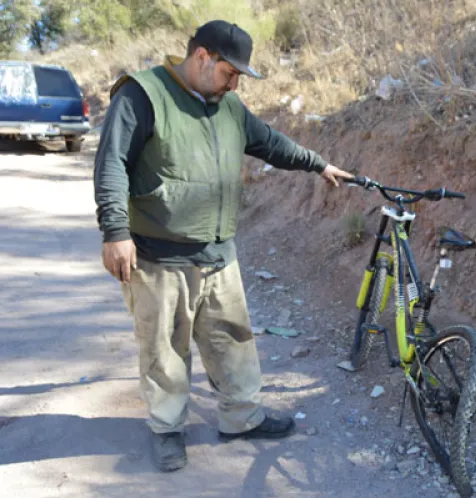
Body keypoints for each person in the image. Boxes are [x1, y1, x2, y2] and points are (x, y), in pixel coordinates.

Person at [93, 19, 353, 472]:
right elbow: (111, 162)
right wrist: (115, 232)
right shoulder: (143, 93)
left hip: (218, 253)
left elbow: (269, 142)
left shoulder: (228, 107)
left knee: (232, 339)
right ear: (201, 58)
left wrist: (318, 164)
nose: (234, 84)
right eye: (230, 72)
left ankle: (242, 416)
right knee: (164, 348)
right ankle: (167, 428)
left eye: (238, 77)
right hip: (159, 255)